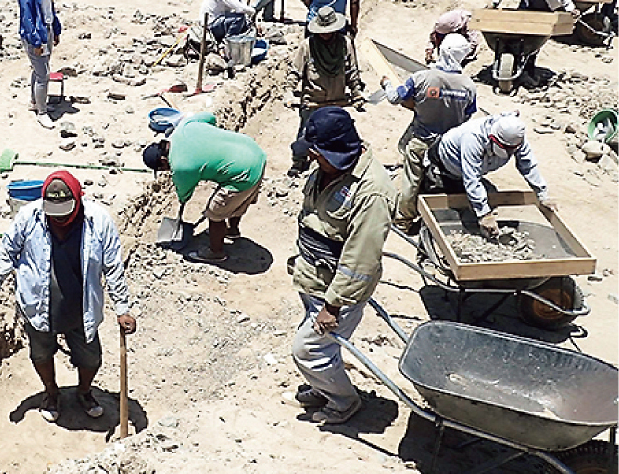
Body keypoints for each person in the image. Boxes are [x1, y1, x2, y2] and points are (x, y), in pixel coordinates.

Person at [0, 171, 136, 422]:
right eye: (54, 212)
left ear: (78, 199)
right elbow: (7, 251)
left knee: (91, 358)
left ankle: (83, 392)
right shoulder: (29, 217)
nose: (60, 218)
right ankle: (51, 392)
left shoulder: (99, 221)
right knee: (41, 354)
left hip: (80, 308)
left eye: (66, 211)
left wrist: (123, 308)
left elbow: (113, 267)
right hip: (38, 304)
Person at [289, 107, 395, 425]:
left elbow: (361, 257)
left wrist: (334, 306)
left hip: (337, 291)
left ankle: (343, 400)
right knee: (323, 345)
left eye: (318, 156)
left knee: (308, 350)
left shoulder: (371, 191)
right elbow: (317, 219)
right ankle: (323, 387)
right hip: (314, 277)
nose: (314, 162)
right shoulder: (329, 171)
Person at [381, 24, 478, 233]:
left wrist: (387, 83)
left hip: (421, 139)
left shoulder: (421, 78)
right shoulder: (468, 86)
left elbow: (395, 97)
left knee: (411, 181)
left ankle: (404, 220)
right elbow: (468, 116)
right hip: (450, 146)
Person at [141, 111, 267, 264]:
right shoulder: (185, 126)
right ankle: (232, 230)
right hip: (254, 153)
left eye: (162, 169)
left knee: (215, 213)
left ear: (162, 160)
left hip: (243, 173)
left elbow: (184, 194)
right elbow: (210, 118)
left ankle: (215, 252)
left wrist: (182, 200)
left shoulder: (180, 166)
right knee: (236, 201)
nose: (166, 171)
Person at [426, 114, 553, 239]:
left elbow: (528, 165)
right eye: (506, 149)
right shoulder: (473, 138)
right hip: (443, 172)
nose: (510, 153)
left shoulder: (516, 138)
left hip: (467, 173)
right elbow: (472, 179)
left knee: (486, 199)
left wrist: (542, 194)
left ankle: (475, 234)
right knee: (444, 219)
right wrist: (484, 215)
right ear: (493, 138)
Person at [286, 7, 363, 177]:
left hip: (337, 100)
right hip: (313, 100)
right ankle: (299, 162)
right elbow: (295, 72)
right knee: (306, 132)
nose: (325, 35)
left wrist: (357, 93)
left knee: (334, 135)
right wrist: (289, 91)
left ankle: (332, 163)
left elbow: (352, 71)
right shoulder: (307, 46)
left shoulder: (345, 44)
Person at [16, 0, 63, 130]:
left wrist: (56, 30)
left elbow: (50, 8)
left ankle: (36, 102)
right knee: (43, 73)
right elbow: (27, 15)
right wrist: (35, 40)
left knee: (40, 69)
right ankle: (42, 113)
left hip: (47, 30)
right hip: (36, 35)